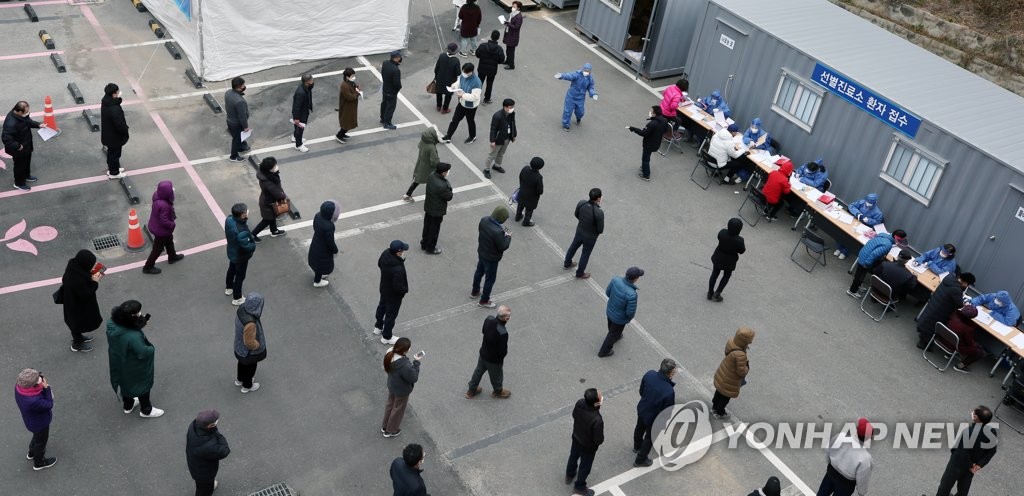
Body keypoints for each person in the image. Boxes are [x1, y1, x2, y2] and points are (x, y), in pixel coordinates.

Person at [106, 300, 163, 418]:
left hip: (119, 361)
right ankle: (146, 410)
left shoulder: (111, 323)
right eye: (138, 313)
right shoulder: (133, 336)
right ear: (133, 316)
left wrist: (139, 323)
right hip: (134, 366)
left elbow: (127, 329)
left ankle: (128, 405)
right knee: (143, 387)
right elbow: (143, 352)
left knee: (125, 384)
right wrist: (151, 349)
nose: (140, 314)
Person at [934, 406, 998, 496]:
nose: (972, 413)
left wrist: (970, 465)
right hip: (971, 468)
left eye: (973, 413)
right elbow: (992, 451)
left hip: (957, 464)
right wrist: (978, 465)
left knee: (945, 486)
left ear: (976, 418)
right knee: (963, 491)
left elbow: (961, 453)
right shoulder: (992, 432)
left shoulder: (968, 432)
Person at [634, 358, 677, 467]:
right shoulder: (668, 391)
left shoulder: (650, 374)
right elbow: (667, 411)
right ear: (670, 372)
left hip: (643, 408)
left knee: (639, 428)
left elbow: (641, 391)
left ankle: (637, 446)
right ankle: (640, 459)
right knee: (650, 437)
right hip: (654, 418)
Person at [917, 271, 976, 349]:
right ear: (965, 282)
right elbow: (959, 305)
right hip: (941, 311)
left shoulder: (949, 279)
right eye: (968, 285)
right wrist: (964, 302)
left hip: (935, 305)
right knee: (932, 327)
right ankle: (923, 343)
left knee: (928, 323)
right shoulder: (957, 290)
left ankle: (922, 336)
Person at [60, 249, 104, 352]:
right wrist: (95, 282)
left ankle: (79, 338)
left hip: (72, 301)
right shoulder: (77, 281)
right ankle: (77, 344)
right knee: (77, 323)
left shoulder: (73, 265)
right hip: (77, 305)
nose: (92, 266)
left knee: (75, 323)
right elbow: (86, 294)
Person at [816, 418, 873, 496]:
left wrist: (830, 464)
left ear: (856, 429)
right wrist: (861, 493)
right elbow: (862, 479)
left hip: (831, 473)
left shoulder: (840, 437)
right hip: (846, 485)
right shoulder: (866, 458)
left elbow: (827, 449)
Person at [466, 305, 512, 399]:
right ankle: (498, 391)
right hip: (494, 360)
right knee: (497, 376)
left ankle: (471, 390)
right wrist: (500, 360)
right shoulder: (503, 332)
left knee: (478, 371)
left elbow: (483, 331)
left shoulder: (489, 319)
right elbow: (502, 350)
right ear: (506, 318)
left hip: (483, 353)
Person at [846, 229, 908, 298]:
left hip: (864, 253)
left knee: (862, 274)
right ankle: (852, 291)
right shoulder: (888, 245)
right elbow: (874, 254)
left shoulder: (883, 235)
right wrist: (867, 264)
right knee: (859, 275)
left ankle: (858, 286)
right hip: (866, 258)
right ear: (897, 239)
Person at [15, 368, 56, 470]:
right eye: (38, 379)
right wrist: (46, 388)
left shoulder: (19, 387)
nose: (41, 379)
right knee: (41, 442)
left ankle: (31, 452)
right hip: (40, 424)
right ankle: (39, 462)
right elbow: (49, 404)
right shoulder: (33, 401)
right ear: (33, 385)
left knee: (37, 438)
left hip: (31, 421)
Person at [471, 206, 512, 308]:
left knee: (479, 272)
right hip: (491, 258)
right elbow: (503, 246)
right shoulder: (498, 232)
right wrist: (508, 237)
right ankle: (484, 301)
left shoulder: (484, 220)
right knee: (490, 279)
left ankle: (474, 292)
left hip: (482, 252)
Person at [565, 388, 603, 496]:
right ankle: (579, 487)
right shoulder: (597, 420)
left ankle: (569, 475)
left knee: (573, 456)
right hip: (588, 447)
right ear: (596, 403)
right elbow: (598, 439)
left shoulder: (580, 403)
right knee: (585, 466)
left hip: (576, 437)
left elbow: (574, 415)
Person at [599, 267, 644, 357]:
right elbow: (630, 312)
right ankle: (604, 351)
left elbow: (608, 293)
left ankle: (616, 336)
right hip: (620, 318)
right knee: (612, 334)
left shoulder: (615, 280)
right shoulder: (632, 294)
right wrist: (628, 318)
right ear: (635, 279)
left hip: (610, 310)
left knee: (611, 326)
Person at [712, 327, 754, 420]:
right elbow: (741, 372)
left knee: (719, 390)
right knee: (725, 396)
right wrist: (747, 367)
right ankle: (719, 412)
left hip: (724, 371)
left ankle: (714, 406)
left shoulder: (731, 341)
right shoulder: (741, 355)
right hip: (731, 378)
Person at [143, 180, 185, 274]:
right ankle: (148, 266)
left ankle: (172, 256)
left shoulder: (157, 196)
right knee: (157, 249)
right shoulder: (165, 205)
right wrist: (172, 224)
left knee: (169, 241)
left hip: (158, 227)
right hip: (161, 231)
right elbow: (164, 221)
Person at [382, 337, 421, 437]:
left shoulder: (389, 352)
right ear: (405, 350)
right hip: (401, 390)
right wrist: (416, 363)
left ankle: (384, 426)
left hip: (392, 385)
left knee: (390, 404)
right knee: (397, 409)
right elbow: (413, 378)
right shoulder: (405, 365)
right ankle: (391, 430)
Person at [186, 410, 230, 496]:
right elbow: (225, 450)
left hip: (195, 464)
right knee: (204, 490)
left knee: (202, 485)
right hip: (204, 473)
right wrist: (217, 433)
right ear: (210, 425)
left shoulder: (193, 425)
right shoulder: (208, 446)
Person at [2, 100, 45, 190]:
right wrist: (17, 146)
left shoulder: (20, 116)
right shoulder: (11, 123)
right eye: (26, 112)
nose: (28, 113)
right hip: (19, 150)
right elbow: (6, 139)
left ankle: (26, 175)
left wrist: (38, 125)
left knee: (26, 162)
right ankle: (19, 183)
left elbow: (28, 121)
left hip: (26, 146)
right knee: (19, 166)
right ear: (19, 111)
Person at [564, 188, 605, 279]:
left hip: (580, 231)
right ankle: (580, 273)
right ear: (598, 198)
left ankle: (567, 263)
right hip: (590, 237)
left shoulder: (581, 203)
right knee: (585, 254)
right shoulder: (599, 212)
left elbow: (576, 214)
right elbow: (600, 230)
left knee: (573, 246)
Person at [375, 240, 410, 346]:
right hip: (393, 296)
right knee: (391, 315)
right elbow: (398, 287)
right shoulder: (397, 269)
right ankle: (387, 337)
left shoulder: (386, 253)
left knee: (382, 306)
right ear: (398, 252)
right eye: (403, 250)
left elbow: (379, 264)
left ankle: (378, 326)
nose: (404, 251)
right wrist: (404, 290)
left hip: (384, 288)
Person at [441, 63, 483, 144]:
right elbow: (458, 82)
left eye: (465, 72)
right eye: (463, 71)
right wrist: (454, 86)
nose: (463, 74)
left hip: (471, 106)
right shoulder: (463, 76)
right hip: (462, 103)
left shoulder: (477, 82)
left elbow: (475, 97)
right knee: (455, 120)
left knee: (470, 121)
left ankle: (472, 136)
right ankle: (448, 136)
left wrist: (463, 95)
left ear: (470, 72)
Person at [233, 292, 267, 393]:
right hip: (248, 352)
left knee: (241, 363)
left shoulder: (241, 310)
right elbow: (249, 342)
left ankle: (240, 379)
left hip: (239, 346)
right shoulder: (251, 323)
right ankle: (247, 385)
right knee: (250, 367)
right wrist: (257, 345)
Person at [224, 203, 257, 306]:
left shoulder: (229, 219)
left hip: (232, 251)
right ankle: (237, 297)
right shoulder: (241, 229)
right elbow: (247, 246)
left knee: (231, 269)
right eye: (246, 211)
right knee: (240, 276)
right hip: (240, 256)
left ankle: (229, 287)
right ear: (243, 215)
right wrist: (253, 245)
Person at [835, 193, 883, 259]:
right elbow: (851, 206)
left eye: (870, 203)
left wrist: (869, 220)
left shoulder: (878, 213)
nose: (867, 204)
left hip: (863, 227)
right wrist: (857, 212)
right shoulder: (862, 202)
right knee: (843, 232)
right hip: (853, 221)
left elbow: (878, 222)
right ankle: (839, 248)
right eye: (867, 202)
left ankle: (845, 252)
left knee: (852, 239)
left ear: (875, 203)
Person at [251, 157, 288, 241]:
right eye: (274, 166)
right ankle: (253, 234)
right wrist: (283, 194)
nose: (276, 167)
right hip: (269, 204)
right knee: (267, 220)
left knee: (272, 217)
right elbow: (280, 196)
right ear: (269, 169)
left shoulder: (265, 173)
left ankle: (274, 231)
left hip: (267, 200)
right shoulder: (268, 183)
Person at [709, 218, 746, 302]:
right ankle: (717, 294)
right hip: (729, 262)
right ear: (739, 229)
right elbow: (742, 251)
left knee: (714, 273)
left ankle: (710, 292)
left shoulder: (722, 232)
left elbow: (719, 238)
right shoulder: (739, 240)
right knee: (726, 276)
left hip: (718, 257)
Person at [628, 105, 669, 181]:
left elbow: (643, 133)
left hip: (649, 144)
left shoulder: (651, 124)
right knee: (647, 157)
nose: (650, 112)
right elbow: (665, 130)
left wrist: (633, 129)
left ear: (654, 113)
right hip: (657, 143)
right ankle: (644, 167)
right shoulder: (664, 120)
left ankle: (646, 175)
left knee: (645, 159)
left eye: (651, 111)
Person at [944, 305, 987, 373]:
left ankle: (948, 354)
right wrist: (977, 345)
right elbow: (969, 343)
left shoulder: (953, 314)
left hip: (943, 338)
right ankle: (960, 366)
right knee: (980, 352)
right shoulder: (968, 328)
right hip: (952, 345)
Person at [421, 162, 453, 254]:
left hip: (429, 206)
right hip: (437, 210)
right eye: (447, 171)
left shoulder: (431, 176)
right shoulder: (442, 185)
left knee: (427, 226)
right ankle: (430, 248)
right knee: (434, 230)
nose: (447, 173)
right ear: (443, 173)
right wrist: (448, 184)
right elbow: (449, 196)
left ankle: (424, 243)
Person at [555, 63, 598, 132]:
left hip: (580, 98)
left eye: (588, 71)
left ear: (590, 71)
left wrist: (593, 94)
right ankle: (566, 125)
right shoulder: (577, 74)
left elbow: (590, 87)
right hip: (571, 96)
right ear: (583, 69)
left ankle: (578, 117)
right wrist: (561, 75)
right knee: (568, 111)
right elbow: (569, 76)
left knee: (580, 112)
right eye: (585, 70)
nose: (586, 72)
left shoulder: (590, 79)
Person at [307, 200, 340, 287]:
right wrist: (335, 250)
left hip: (316, 243)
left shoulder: (318, 215)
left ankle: (319, 276)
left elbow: (314, 226)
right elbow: (330, 242)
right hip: (323, 250)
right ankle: (317, 282)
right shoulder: (329, 227)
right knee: (321, 264)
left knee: (317, 263)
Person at [100, 83, 129, 179]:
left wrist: (117, 99)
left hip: (108, 134)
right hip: (114, 136)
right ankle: (114, 173)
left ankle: (113, 168)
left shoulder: (106, 101)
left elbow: (114, 102)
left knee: (112, 153)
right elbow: (119, 124)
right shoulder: (114, 109)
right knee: (115, 154)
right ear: (113, 94)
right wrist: (125, 130)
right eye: (117, 92)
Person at [405, 127, 441, 201]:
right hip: (428, 168)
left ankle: (407, 195)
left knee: (417, 180)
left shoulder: (423, 141)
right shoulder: (431, 147)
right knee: (432, 180)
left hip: (421, 163)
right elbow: (434, 161)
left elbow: (419, 146)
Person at [485, 98, 517, 178]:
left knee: (501, 153)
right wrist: (492, 141)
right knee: (492, 155)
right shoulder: (497, 116)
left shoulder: (512, 113)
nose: (512, 108)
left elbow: (513, 124)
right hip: (498, 139)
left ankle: (497, 165)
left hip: (507, 138)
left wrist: (514, 135)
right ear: (505, 107)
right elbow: (493, 128)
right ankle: (487, 169)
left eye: (513, 107)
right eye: (510, 107)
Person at [224, 77, 250, 162]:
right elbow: (242, 116)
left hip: (230, 120)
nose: (244, 86)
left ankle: (242, 146)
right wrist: (246, 127)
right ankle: (234, 156)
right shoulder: (240, 101)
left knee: (237, 137)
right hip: (237, 124)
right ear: (238, 87)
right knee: (236, 139)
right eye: (242, 85)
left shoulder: (228, 93)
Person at [475, 32, 505, 105]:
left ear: (491, 36)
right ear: (498, 38)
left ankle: (476, 96)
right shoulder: (499, 49)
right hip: (492, 70)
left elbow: (477, 54)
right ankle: (487, 98)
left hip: (482, 68)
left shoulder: (483, 46)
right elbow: (501, 60)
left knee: (479, 82)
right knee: (490, 83)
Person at [515, 157, 544, 226]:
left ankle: (518, 216)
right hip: (532, 198)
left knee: (520, 205)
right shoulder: (538, 177)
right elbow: (540, 190)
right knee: (529, 210)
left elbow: (520, 177)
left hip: (522, 192)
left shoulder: (525, 169)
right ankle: (526, 222)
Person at [434, 43, 461, 113]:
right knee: (448, 95)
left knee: (439, 93)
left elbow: (436, 68)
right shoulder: (456, 60)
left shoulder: (442, 55)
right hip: (450, 81)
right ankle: (445, 109)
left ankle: (438, 106)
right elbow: (458, 73)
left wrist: (436, 77)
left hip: (440, 78)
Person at [336, 67, 361, 143]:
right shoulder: (344, 86)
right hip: (347, 107)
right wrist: (357, 93)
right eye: (352, 76)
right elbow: (350, 97)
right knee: (347, 122)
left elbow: (353, 90)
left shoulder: (350, 83)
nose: (354, 77)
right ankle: (339, 135)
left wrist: (356, 88)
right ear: (347, 76)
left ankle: (343, 134)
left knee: (348, 121)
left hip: (350, 107)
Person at [291, 74, 314, 152]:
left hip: (304, 111)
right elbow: (296, 106)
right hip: (301, 114)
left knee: (298, 128)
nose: (313, 81)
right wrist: (296, 117)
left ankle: (295, 137)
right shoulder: (300, 93)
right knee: (300, 129)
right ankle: (298, 145)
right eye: (311, 80)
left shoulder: (306, 87)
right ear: (307, 82)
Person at [380, 51, 403, 130]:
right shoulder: (396, 70)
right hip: (392, 91)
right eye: (399, 57)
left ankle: (382, 118)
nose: (400, 58)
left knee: (384, 104)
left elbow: (382, 73)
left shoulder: (385, 63)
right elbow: (397, 84)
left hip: (385, 88)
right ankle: (387, 123)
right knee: (390, 107)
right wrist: (398, 88)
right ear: (396, 58)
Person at [502, 1, 523, 70]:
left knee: (511, 51)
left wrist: (508, 24)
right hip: (509, 34)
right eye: (512, 6)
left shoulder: (519, 17)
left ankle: (511, 65)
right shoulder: (513, 14)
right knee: (508, 50)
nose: (512, 8)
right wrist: (507, 23)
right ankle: (507, 61)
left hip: (513, 36)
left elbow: (516, 27)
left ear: (518, 8)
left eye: (514, 7)